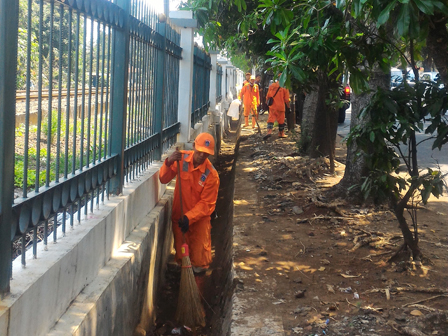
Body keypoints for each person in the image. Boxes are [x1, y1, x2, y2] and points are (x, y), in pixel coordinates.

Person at [158, 133, 220, 293]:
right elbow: (163, 179)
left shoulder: (211, 175)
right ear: (194, 147)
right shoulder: (181, 160)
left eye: (206, 154)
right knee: (182, 259)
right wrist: (168, 161)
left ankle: (197, 302)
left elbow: (207, 204)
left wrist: (189, 217)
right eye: (200, 151)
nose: (202, 156)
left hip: (198, 223)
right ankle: (184, 295)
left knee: (199, 262)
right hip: (180, 221)